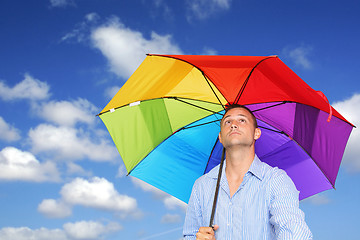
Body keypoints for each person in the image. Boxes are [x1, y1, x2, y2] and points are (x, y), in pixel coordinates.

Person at [183, 104, 312, 239]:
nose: (233, 124)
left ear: (256, 133)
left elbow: (294, 232)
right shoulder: (202, 185)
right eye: (227, 121)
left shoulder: (275, 180)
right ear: (220, 137)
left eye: (242, 120)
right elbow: (189, 235)